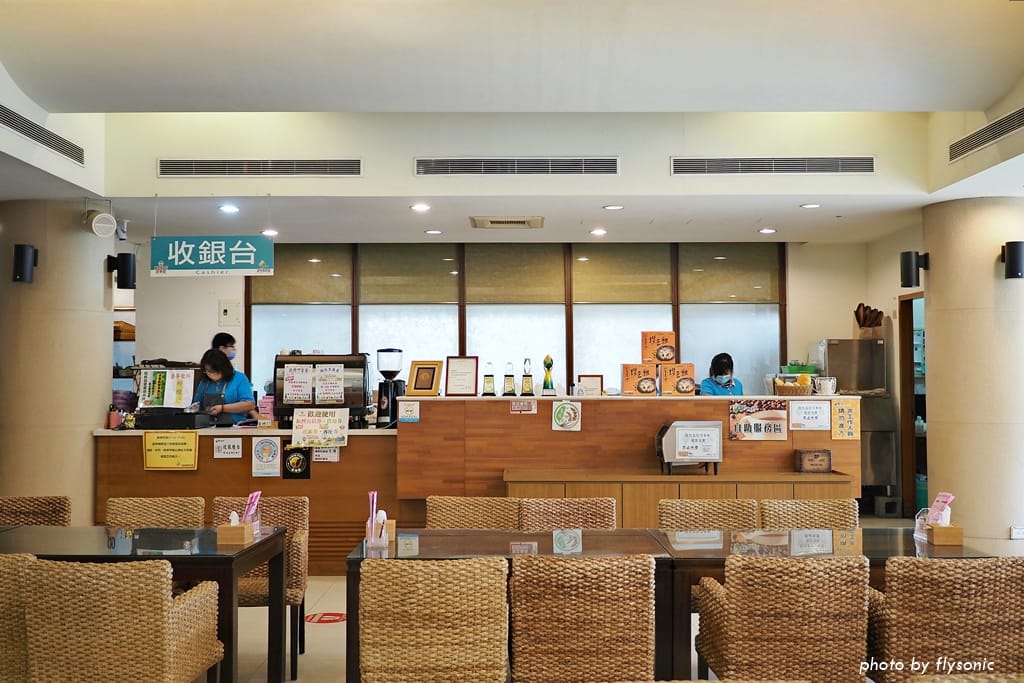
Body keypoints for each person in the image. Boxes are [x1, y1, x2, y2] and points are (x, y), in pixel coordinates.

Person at [195, 348, 256, 424]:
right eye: (207, 371)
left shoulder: (239, 378)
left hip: (234, 426)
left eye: (214, 372)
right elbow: (196, 403)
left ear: (223, 368)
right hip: (208, 426)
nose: (210, 375)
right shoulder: (205, 382)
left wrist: (223, 408)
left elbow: (249, 405)